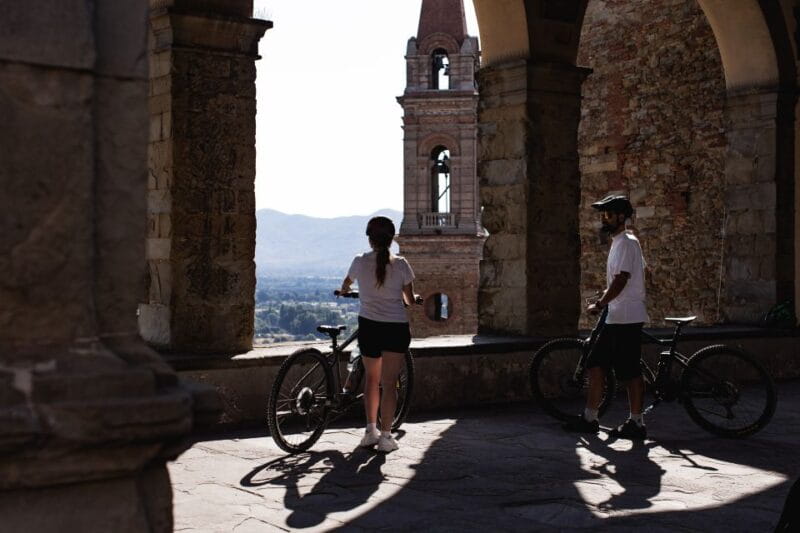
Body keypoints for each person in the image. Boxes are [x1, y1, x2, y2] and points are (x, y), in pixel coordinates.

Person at [564, 195, 650, 440]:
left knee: (630, 372)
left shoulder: (627, 243)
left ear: (621, 216)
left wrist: (602, 302)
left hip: (626, 318)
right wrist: (603, 299)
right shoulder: (620, 242)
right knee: (595, 364)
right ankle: (590, 418)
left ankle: (637, 423)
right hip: (616, 316)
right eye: (603, 214)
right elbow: (620, 280)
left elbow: (622, 280)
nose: (604, 218)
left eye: (608, 214)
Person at [339, 216, 419, 453]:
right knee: (389, 383)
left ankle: (370, 431)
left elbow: (346, 285)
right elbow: (409, 299)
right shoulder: (402, 264)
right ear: (391, 239)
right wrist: (414, 299)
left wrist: (346, 291)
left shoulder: (359, 261)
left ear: (370, 238)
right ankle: (386, 437)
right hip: (395, 328)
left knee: (371, 381)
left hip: (370, 327)